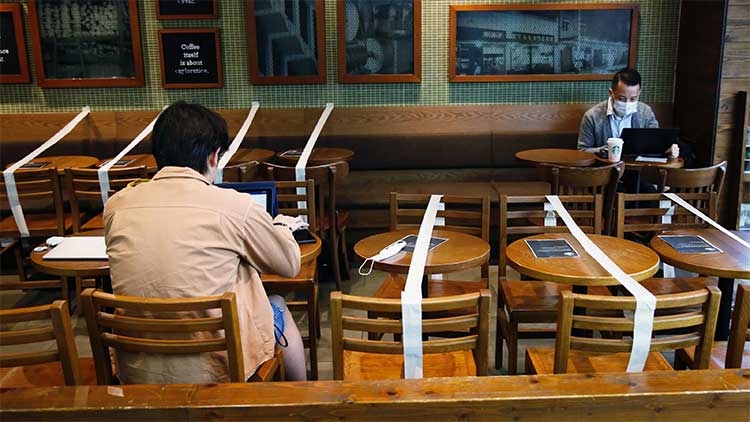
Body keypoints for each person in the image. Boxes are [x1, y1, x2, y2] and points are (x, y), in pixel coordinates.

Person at [103, 101, 307, 383]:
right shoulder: (235, 206)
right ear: (214, 157)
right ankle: (302, 399)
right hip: (219, 368)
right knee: (277, 304)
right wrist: (282, 227)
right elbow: (289, 264)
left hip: (137, 366)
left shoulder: (117, 206)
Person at [577, 67, 679, 158]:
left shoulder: (646, 112)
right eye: (622, 98)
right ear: (611, 92)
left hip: (638, 171)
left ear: (639, 93)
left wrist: (668, 150)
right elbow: (582, 151)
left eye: (633, 98)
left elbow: (656, 144)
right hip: (605, 171)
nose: (627, 103)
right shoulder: (592, 116)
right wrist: (603, 150)